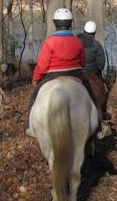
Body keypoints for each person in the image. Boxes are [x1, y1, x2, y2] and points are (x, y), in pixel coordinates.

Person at [26, 8, 109, 138]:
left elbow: (42, 65)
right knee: (92, 94)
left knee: (35, 96)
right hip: (75, 73)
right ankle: (99, 126)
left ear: (55, 24)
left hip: (53, 74)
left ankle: (31, 126)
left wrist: (36, 78)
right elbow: (82, 62)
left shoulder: (49, 42)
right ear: (70, 24)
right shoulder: (77, 41)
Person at [77, 21, 111, 120]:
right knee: (105, 89)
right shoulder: (97, 45)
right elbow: (101, 64)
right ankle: (103, 111)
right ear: (94, 32)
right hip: (93, 73)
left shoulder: (76, 42)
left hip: (76, 72)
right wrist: (96, 71)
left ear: (84, 31)